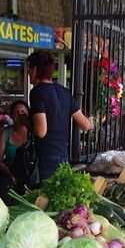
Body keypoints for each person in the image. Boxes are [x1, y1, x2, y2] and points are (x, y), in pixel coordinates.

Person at [27, 51, 92, 181]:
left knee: (44, 197)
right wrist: (92, 122)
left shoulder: (37, 93)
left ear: (34, 69)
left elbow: (41, 131)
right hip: (62, 155)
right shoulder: (64, 92)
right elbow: (85, 125)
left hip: (46, 156)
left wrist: (26, 123)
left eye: (29, 69)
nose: (28, 73)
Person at [0, 100, 31, 200]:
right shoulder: (5, 133)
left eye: (23, 112)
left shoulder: (33, 133)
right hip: (10, 175)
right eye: (16, 112)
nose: (20, 115)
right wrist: (9, 173)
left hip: (30, 177)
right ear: (11, 116)